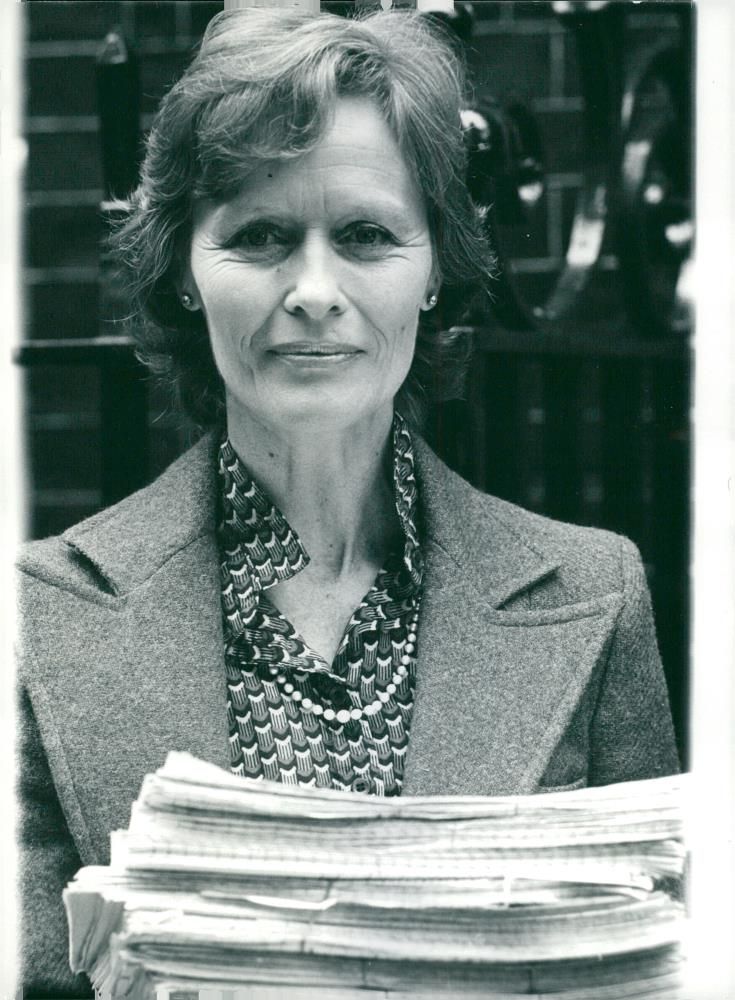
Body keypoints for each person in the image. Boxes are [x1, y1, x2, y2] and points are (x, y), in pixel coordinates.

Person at [16, 7, 680, 996]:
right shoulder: (34, 614)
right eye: (262, 236)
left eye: (367, 235)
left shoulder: (596, 591)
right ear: (188, 274)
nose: (315, 288)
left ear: (435, 272)